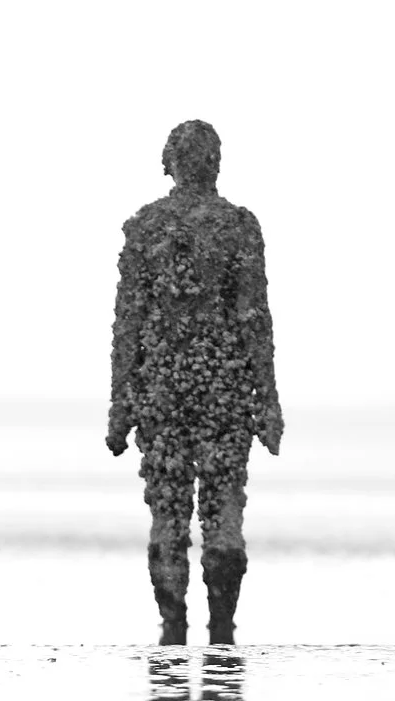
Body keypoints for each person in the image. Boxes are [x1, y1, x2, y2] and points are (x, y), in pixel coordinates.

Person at [106, 121, 282, 644]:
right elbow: (255, 319)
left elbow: (128, 324)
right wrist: (268, 402)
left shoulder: (145, 228)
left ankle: (173, 627)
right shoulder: (238, 226)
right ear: (215, 164)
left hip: (161, 388)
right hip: (224, 388)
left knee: (167, 513)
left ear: (169, 164)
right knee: (224, 511)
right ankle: (222, 630)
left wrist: (121, 407)